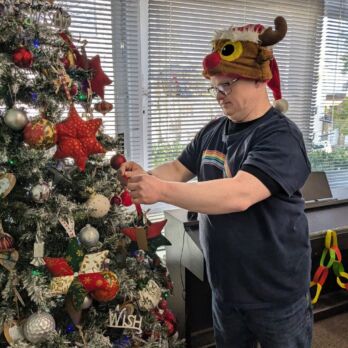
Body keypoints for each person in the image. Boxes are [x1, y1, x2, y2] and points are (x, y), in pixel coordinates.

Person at [119, 16, 313, 348]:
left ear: (257, 80)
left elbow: (239, 194)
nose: (219, 95)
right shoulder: (214, 129)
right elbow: (179, 168)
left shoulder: (279, 136)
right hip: (226, 287)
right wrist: (145, 176)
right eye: (215, 87)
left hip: (275, 294)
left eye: (228, 85)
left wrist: (160, 191)